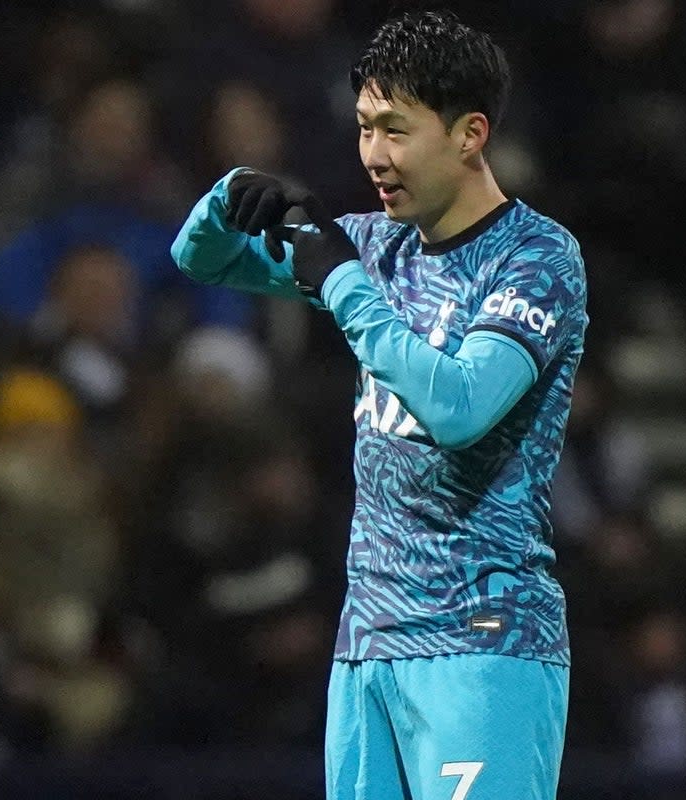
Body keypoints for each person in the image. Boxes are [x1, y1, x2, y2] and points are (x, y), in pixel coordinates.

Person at [171, 11, 587, 799]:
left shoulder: (535, 260)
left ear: (469, 134)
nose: (373, 157)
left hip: (483, 649)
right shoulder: (374, 245)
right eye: (364, 128)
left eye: (395, 131)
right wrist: (230, 196)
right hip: (368, 648)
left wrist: (342, 284)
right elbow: (200, 259)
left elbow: (459, 407)